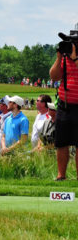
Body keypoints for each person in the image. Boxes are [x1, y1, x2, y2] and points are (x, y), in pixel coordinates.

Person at [50, 43, 78, 180]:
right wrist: (59, 57)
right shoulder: (64, 58)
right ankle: (61, 175)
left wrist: (76, 59)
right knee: (61, 142)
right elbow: (54, 77)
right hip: (64, 105)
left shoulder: (74, 59)